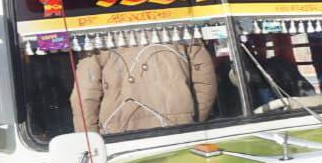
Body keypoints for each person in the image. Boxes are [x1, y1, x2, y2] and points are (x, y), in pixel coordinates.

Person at [71, 41, 217, 135]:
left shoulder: (97, 39)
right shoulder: (179, 29)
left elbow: (84, 97)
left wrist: (89, 140)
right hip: (180, 129)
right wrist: (192, 119)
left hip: (119, 136)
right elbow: (205, 82)